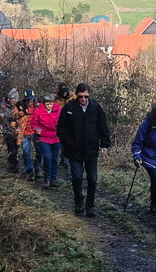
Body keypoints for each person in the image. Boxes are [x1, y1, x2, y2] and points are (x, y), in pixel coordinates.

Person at [57, 82, 112, 216]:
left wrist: (104, 144)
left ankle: (90, 205)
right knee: (76, 178)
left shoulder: (95, 107)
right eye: (81, 96)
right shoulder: (69, 108)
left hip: (91, 150)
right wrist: (68, 143)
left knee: (92, 179)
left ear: (89, 96)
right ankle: (78, 201)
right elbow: (61, 129)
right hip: (74, 150)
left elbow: (103, 126)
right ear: (76, 95)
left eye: (86, 97)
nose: (83, 99)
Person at [31, 91, 63, 188]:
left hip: (56, 138)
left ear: (54, 103)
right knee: (47, 158)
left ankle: (53, 179)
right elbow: (33, 123)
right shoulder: (38, 111)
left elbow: (63, 123)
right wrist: (37, 129)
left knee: (55, 159)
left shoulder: (59, 110)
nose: (49, 105)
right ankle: (46, 179)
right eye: (47, 104)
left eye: (51, 103)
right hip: (43, 138)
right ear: (44, 104)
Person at [0, 88, 24, 173]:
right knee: (11, 148)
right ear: (9, 99)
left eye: (16, 98)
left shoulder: (20, 106)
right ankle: (14, 167)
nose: (15, 100)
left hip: (18, 131)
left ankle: (16, 165)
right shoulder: (3, 106)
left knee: (17, 148)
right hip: (7, 130)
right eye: (13, 99)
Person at [17, 89, 39, 179]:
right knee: (26, 152)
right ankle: (30, 171)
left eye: (31, 100)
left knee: (40, 151)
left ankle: (37, 169)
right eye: (28, 100)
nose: (30, 102)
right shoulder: (19, 107)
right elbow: (14, 118)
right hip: (24, 132)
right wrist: (15, 127)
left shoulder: (38, 106)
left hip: (36, 132)